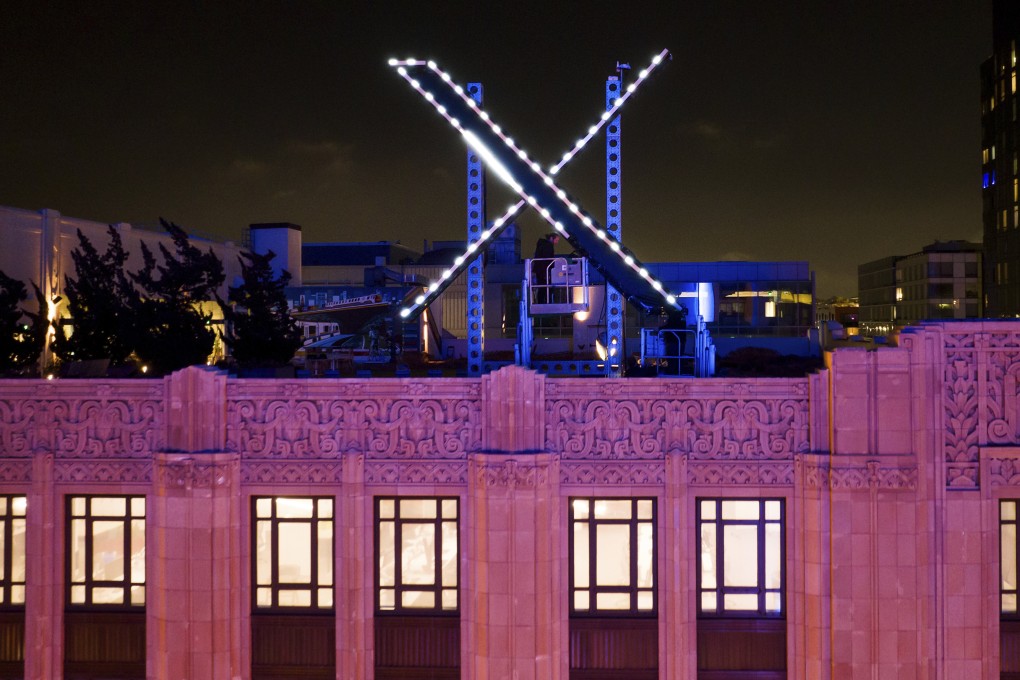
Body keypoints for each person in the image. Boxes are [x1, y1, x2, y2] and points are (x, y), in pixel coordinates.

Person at [532, 233, 559, 303]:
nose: (557, 242)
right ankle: (545, 302)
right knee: (545, 287)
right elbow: (547, 259)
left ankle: (542, 301)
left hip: (540, 270)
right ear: (551, 238)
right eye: (556, 240)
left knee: (543, 287)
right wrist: (547, 273)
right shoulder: (548, 246)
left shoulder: (543, 245)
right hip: (543, 271)